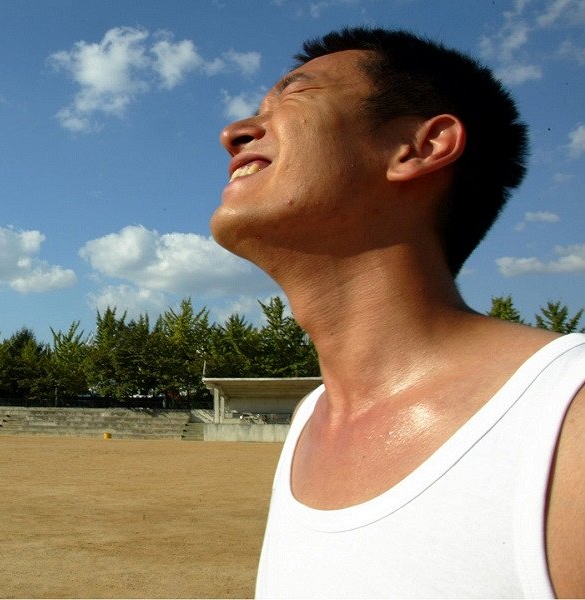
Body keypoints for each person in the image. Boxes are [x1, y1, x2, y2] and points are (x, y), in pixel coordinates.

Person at [210, 27, 584, 598]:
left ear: (419, 147)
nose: (233, 133)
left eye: (296, 93)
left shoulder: (566, 418)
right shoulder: (313, 420)